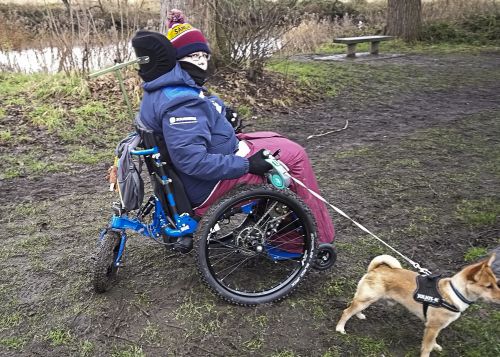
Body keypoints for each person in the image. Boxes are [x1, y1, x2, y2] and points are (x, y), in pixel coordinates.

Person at [131, 12, 335, 253]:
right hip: (208, 185)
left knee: (275, 140)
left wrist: (221, 113)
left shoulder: (161, 89)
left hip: (206, 168)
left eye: (204, 56)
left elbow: (199, 104)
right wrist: (248, 166)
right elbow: (192, 160)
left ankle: (282, 222)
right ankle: (309, 241)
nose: (201, 62)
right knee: (296, 156)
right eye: (193, 56)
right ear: (177, 60)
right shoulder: (182, 103)